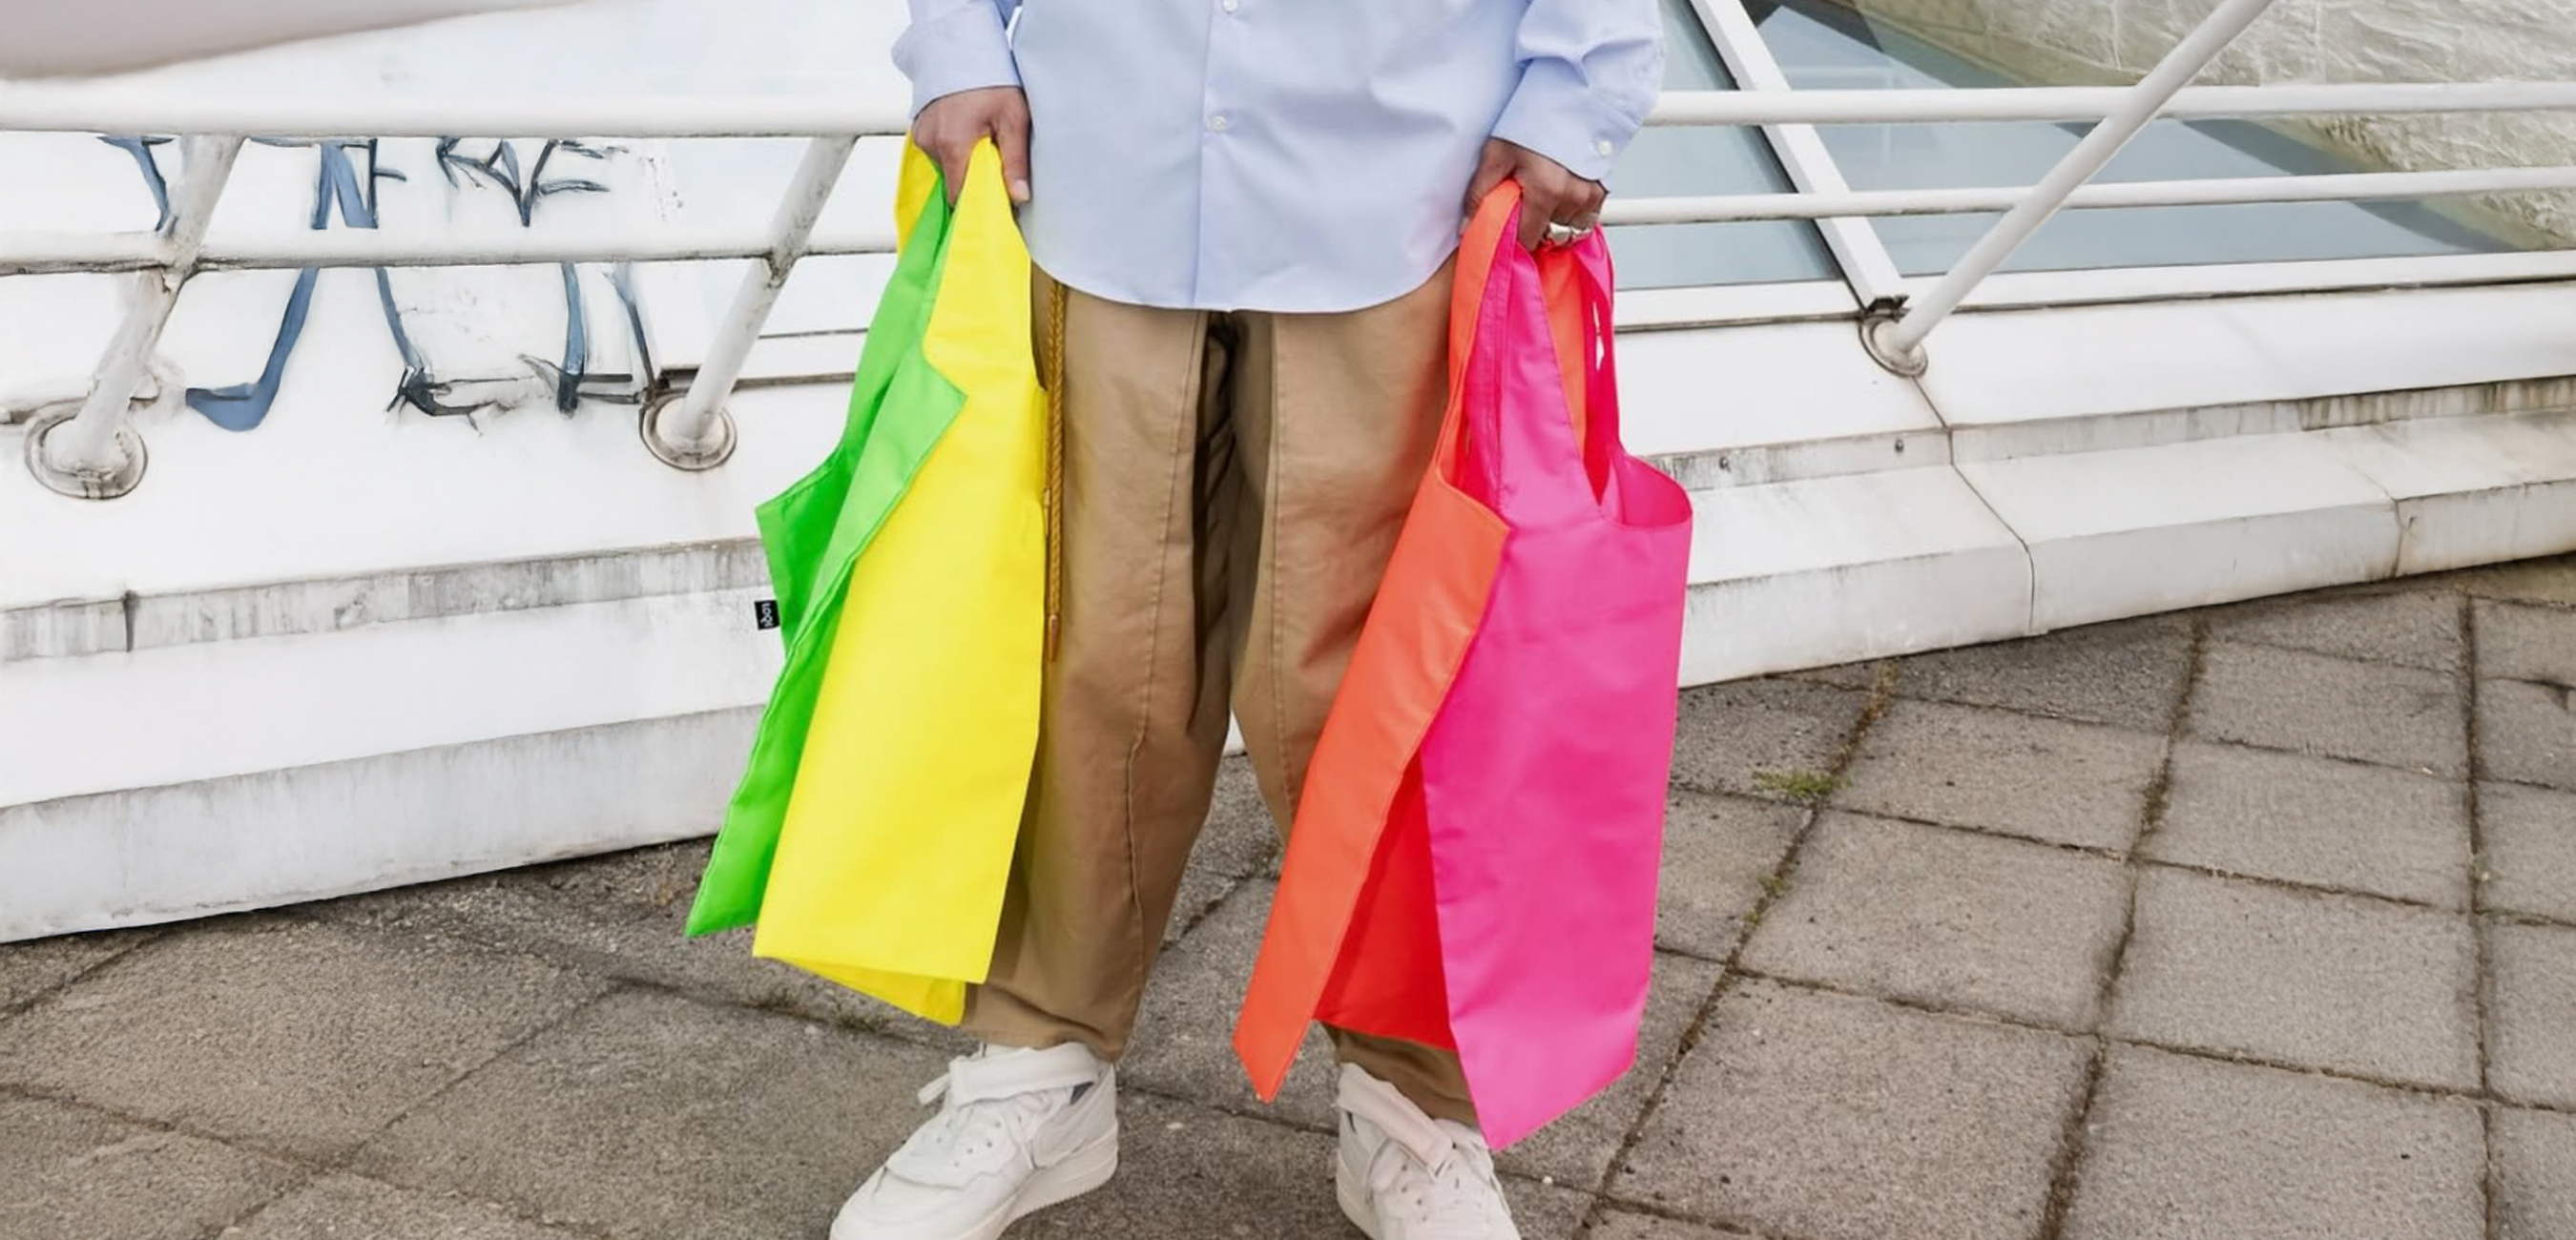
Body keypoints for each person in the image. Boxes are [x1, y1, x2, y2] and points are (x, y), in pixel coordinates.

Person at [841, 3, 1665, 1238]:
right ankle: (1039, 1054)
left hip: (1400, 172)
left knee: (1381, 682)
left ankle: (1412, 1102)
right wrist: (958, 42)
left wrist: (1576, 95)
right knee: (1086, 650)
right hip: (1095, 154)